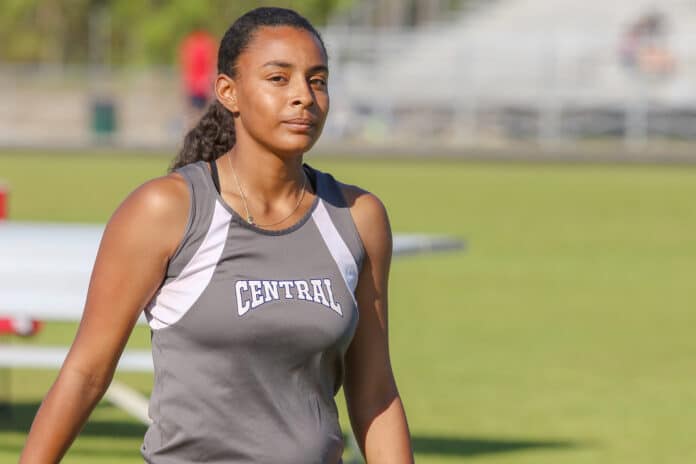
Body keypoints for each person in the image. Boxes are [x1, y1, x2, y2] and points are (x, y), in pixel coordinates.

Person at [20, 7, 414, 463]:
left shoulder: (357, 217)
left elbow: (375, 394)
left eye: (317, 80)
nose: (303, 96)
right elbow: (86, 373)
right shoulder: (166, 210)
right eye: (278, 79)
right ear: (229, 92)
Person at [179, 26, 218, 127]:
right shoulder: (205, 43)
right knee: (200, 115)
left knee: (196, 115)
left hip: (198, 86)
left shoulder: (190, 43)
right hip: (199, 86)